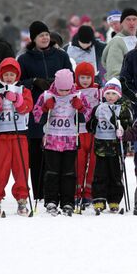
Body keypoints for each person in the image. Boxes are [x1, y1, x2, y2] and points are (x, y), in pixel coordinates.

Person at [17, 20, 72, 205]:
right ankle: (40, 193)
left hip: (60, 111)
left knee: (56, 153)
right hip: (35, 110)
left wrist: (58, 84)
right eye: (41, 35)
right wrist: (33, 81)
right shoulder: (24, 58)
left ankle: (56, 193)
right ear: (33, 39)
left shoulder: (60, 56)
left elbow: (70, 78)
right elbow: (18, 83)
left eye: (47, 34)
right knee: (37, 152)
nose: (45, 38)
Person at [33, 69, 89, 216]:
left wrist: (81, 107)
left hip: (70, 140)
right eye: (60, 89)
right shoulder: (47, 95)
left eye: (66, 89)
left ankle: (68, 201)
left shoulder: (78, 95)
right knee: (52, 172)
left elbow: (89, 115)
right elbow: (36, 115)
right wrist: (45, 108)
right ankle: (51, 200)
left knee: (69, 173)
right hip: (52, 139)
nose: (63, 93)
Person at [0, 58, 34, 216]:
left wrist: (17, 100)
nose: (8, 77)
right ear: (1, 75)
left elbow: (27, 107)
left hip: (19, 135)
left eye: (12, 74)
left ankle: (22, 199)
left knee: (21, 169)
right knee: (0, 169)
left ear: (17, 75)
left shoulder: (23, 90)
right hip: (2, 136)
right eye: (5, 74)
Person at [86, 78, 133, 214]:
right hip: (101, 146)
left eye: (113, 94)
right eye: (108, 93)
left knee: (115, 174)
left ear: (119, 95)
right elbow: (91, 125)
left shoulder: (123, 108)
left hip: (116, 147)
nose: (110, 97)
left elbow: (128, 125)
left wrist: (123, 130)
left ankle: (114, 200)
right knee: (100, 174)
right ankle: (99, 199)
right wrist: (93, 124)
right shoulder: (99, 108)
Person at [74, 62, 101, 209]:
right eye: (82, 77)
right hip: (78, 131)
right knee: (79, 162)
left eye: (88, 78)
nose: (85, 81)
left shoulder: (97, 90)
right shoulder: (73, 90)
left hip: (93, 132)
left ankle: (88, 192)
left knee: (93, 163)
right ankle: (77, 191)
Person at [101, 8, 137, 80]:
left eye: (115, 23)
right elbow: (112, 67)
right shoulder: (114, 38)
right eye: (111, 25)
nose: (114, 27)